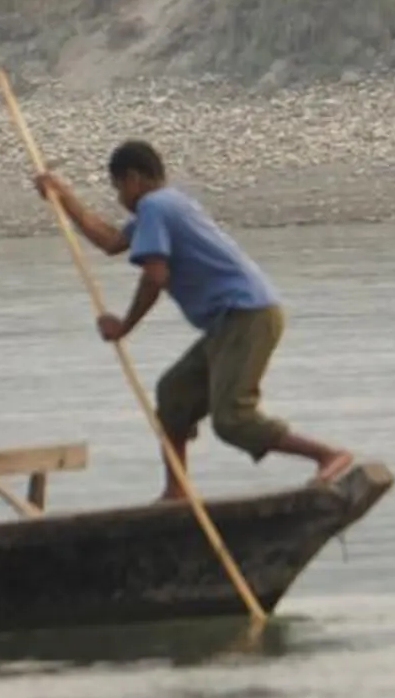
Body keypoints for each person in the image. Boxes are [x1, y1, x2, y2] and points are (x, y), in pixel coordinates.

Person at [35, 139, 355, 497]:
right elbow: (110, 241)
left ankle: (328, 455)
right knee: (174, 394)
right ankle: (177, 490)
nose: (119, 198)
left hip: (247, 315)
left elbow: (156, 276)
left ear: (133, 179)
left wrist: (123, 326)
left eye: (117, 188)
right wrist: (63, 199)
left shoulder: (156, 206)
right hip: (228, 321)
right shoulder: (164, 205)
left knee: (233, 419)